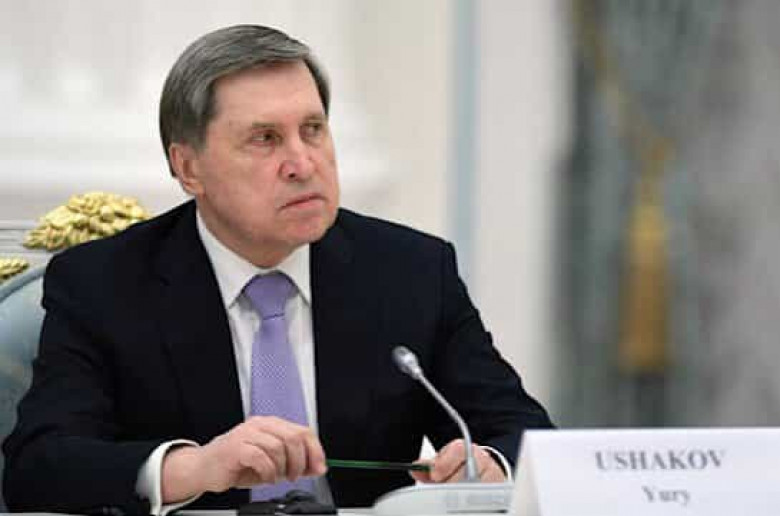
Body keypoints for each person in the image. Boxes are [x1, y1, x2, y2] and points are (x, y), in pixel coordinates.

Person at [2, 24, 553, 515]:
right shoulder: (104, 283)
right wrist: (193, 468)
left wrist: (488, 464)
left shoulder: (412, 272)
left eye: (313, 129)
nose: (303, 163)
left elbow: (526, 437)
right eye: (265, 139)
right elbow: (39, 468)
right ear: (188, 168)